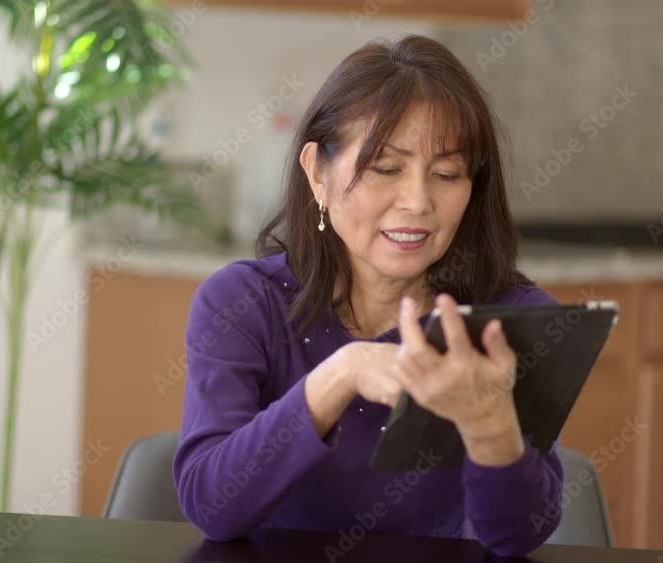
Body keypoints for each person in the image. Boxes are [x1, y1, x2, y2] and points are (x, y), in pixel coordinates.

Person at [171, 34, 564, 558]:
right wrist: (343, 373)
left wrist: (489, 424)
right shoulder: (241, 303)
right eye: (386, 168)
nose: (418, 201)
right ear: (318, 173)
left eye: (447, 174)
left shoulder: (511, 321)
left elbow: (518, 538)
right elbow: (212, 507)